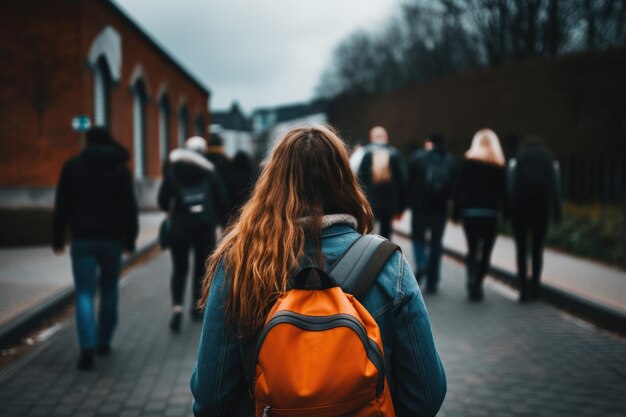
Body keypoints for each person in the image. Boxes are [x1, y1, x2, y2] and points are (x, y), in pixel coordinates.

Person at [190, 125, 446, 416]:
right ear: (345, 180)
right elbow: (426, 393)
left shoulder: (240, 262)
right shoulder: (387, 265)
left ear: (271, 183)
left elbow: (212, 398)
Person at [52, 127, 138, 370]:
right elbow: (128, 206)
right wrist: (130, 238)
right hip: (112, 240)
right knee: (110, 288)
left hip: (83, 239)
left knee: (84, 292)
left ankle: (86, 346)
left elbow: (62, 203)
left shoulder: (73, 166)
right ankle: (104, 341)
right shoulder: (120, 169)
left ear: (87, 141)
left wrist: (58, 237)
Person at [158, 136, 229, 332]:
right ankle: (197, 308)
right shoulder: (210, 172)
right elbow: (222, 200)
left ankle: (177, 307)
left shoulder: (174, 171)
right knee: (201, 269)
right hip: (204, 229)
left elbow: (163, 201)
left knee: (179, 269)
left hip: (180, 229)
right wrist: (222, 224)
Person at [453, 129, 507, 301]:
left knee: (472, 248)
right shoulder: (498, 165)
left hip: (471, 212)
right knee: (486, 251)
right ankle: (478, 281)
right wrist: (506, 213)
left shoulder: (468, 162)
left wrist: (455, 211)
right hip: (490, 213)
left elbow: (459, 188)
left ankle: (470, 275)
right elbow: (504, 192)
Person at [508, 137, 562, 302]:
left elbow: (510, 183)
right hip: (541, 209)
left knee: (522, 250)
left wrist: (509, 209)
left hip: (520, 209)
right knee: (537, 249)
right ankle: (535, 288)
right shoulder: (548, 158)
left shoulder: (519, 158)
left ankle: (523, 289)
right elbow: (556, 185)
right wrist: (557, 211)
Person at [407, 133, 456, 293]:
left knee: (418, 238)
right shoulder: (450, 160)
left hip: (419, 208)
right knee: (436, 244)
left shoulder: (418, 158)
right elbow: (455, 187)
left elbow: (408, 181)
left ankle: (421, 262)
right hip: (440, 209)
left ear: (429, 143)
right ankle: (433, 281)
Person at [357, 126, 407, 239]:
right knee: (386, 234)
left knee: (369, 233)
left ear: (371, 138)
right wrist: (401, 209)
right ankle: (386, 255)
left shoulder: (366, 154)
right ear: (386, 137)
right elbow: (402, 183)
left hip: (371, 202)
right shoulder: (395, 154)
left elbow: (359, 180)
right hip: (390, 204)